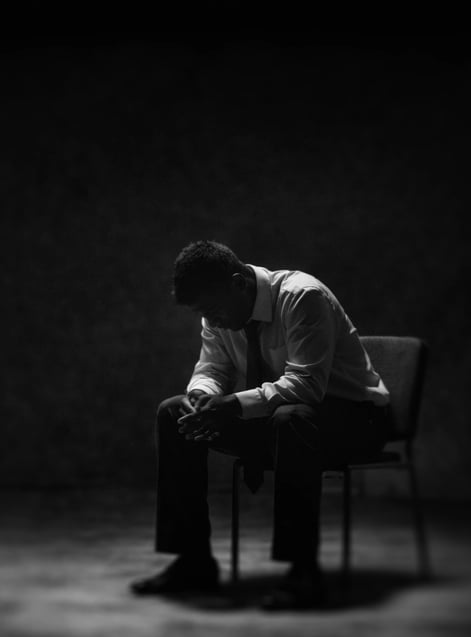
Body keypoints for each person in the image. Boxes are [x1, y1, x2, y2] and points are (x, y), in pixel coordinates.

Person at [130, 240, 391, 609]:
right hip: (280, 415)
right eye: (203, 314)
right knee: (174, 414)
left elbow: (306, 385)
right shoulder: (217, 313)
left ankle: (303, 572)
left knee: (292, 419)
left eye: (213, 311)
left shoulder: (302, 297)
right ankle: (193, 561)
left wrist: (233, 404)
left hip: (354, 417)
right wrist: (201, 394)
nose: (211, 321)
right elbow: (212, 369)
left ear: (238, 283)